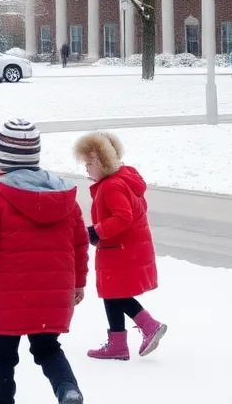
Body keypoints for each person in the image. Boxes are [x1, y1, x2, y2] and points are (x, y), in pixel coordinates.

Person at [0, 118, 87, 404]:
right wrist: (79, 282)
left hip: (8, 296)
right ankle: (67, 388)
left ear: (0, 157)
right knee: (48, 349)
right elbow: (79, 243)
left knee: (2, 357)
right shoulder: (65, 198)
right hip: (54, 293)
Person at [73, 131, 167, 361]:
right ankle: (118, 344)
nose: (86, 169)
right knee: (111, 293)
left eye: (89, 164)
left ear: (102, 162)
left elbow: (123, 217)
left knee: (115, 293)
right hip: (124, 248)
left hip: (119, 249)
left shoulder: (111, 186)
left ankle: (148, 324)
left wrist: (95, 231)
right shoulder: (124, 178)